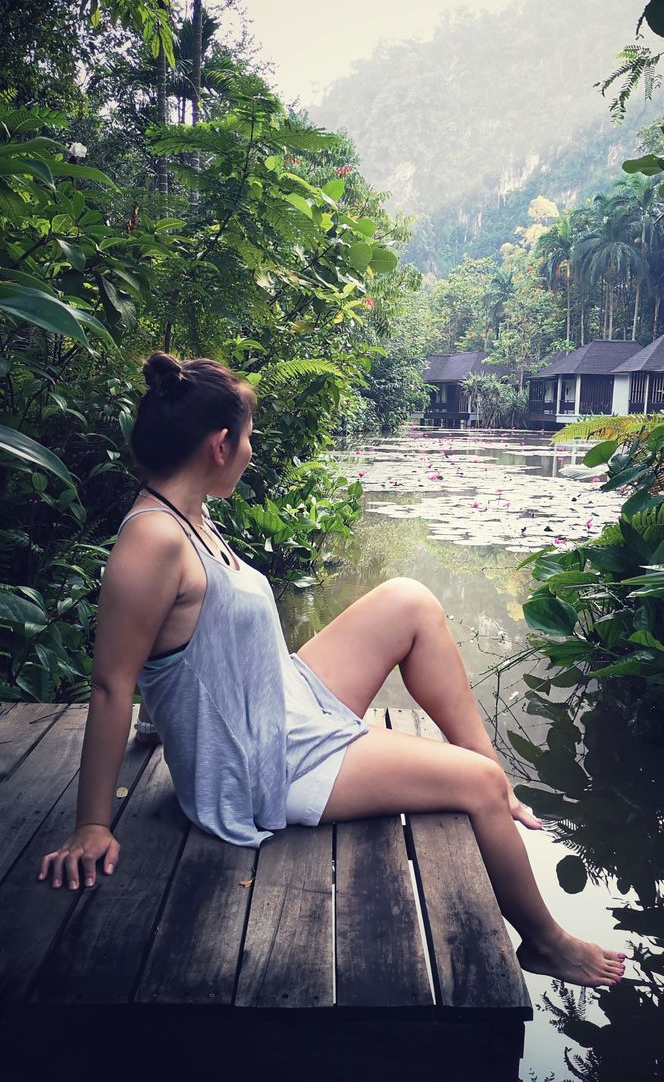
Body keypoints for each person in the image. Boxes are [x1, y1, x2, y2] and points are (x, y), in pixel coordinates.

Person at [38, 352, 626, 989]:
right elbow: (111, 682)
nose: (252, 452)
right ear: (218, 444)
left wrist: (168, 712)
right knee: (475, 784)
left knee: (409, 600)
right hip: (265, 762)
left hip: (278, 699)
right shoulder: (152, 540)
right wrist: (93, 825)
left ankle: (499, 786)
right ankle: (546, 941)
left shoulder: (189, 514)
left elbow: (183, 652)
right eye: (249, 440)